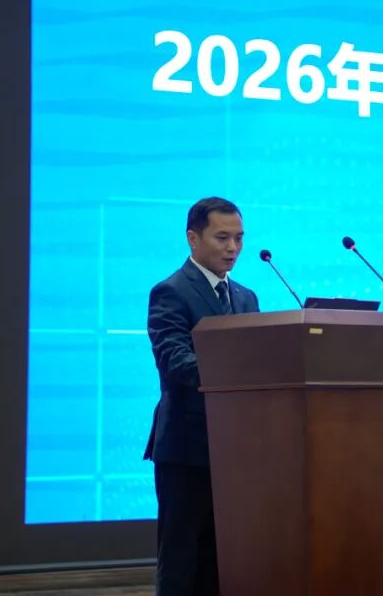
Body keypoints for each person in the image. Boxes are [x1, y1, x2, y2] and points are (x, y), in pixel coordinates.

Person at [144, 197, 260, 596]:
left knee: (223, 558)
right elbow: (174, 360)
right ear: (193, 238)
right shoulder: (171, 292)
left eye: (239, 238)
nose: (233, 248)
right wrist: (238, 373)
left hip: (236, 450)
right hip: (187, 447)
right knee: (181, 557)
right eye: (222, 238)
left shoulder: (246, 297)